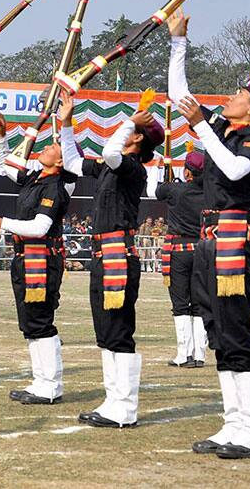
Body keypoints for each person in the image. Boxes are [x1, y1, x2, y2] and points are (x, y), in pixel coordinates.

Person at [169, 9, 250, 459]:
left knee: (236, 334)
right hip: (209, 243)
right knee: (217, 332)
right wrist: (178, 43)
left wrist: (200, 124)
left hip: (234, 244)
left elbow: (235, 170)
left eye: (238, 94)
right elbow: (181, 96)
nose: (230, 98)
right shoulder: (223, 130)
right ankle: (232, 424)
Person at [60, 88, 163, 430]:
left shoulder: (133, 168)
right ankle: (113, 400)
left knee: (118, 331)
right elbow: (73, 163)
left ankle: (125, 407)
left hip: (118, 254)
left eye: (131, 130)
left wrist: (131, 119)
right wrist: (66, 124)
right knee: (105, 331)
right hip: (103, 255)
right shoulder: (110, 168)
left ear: (137, 140)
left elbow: (108, 150)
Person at [0, 108, 75, 404]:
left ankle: (51, 386)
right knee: (30, 323)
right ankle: (40, 382)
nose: (46, 147)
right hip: (26, 257)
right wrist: (1, 136)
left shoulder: (55, 188)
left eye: (52, 147)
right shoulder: (36, 179)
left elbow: (40, 226)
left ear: (60, 162)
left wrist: (3, 223)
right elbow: (7, 166)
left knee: (41, 322)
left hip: (41, 258)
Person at [152, 147, 208, 368]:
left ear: (187, 172)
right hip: (202, 249)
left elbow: (154, 192)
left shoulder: (176, 190)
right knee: (199, 304)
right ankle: (200, 354)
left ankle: (183, 353)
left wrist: (159, 173)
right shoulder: (209, 193)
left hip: (179, 250)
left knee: (180, 304)